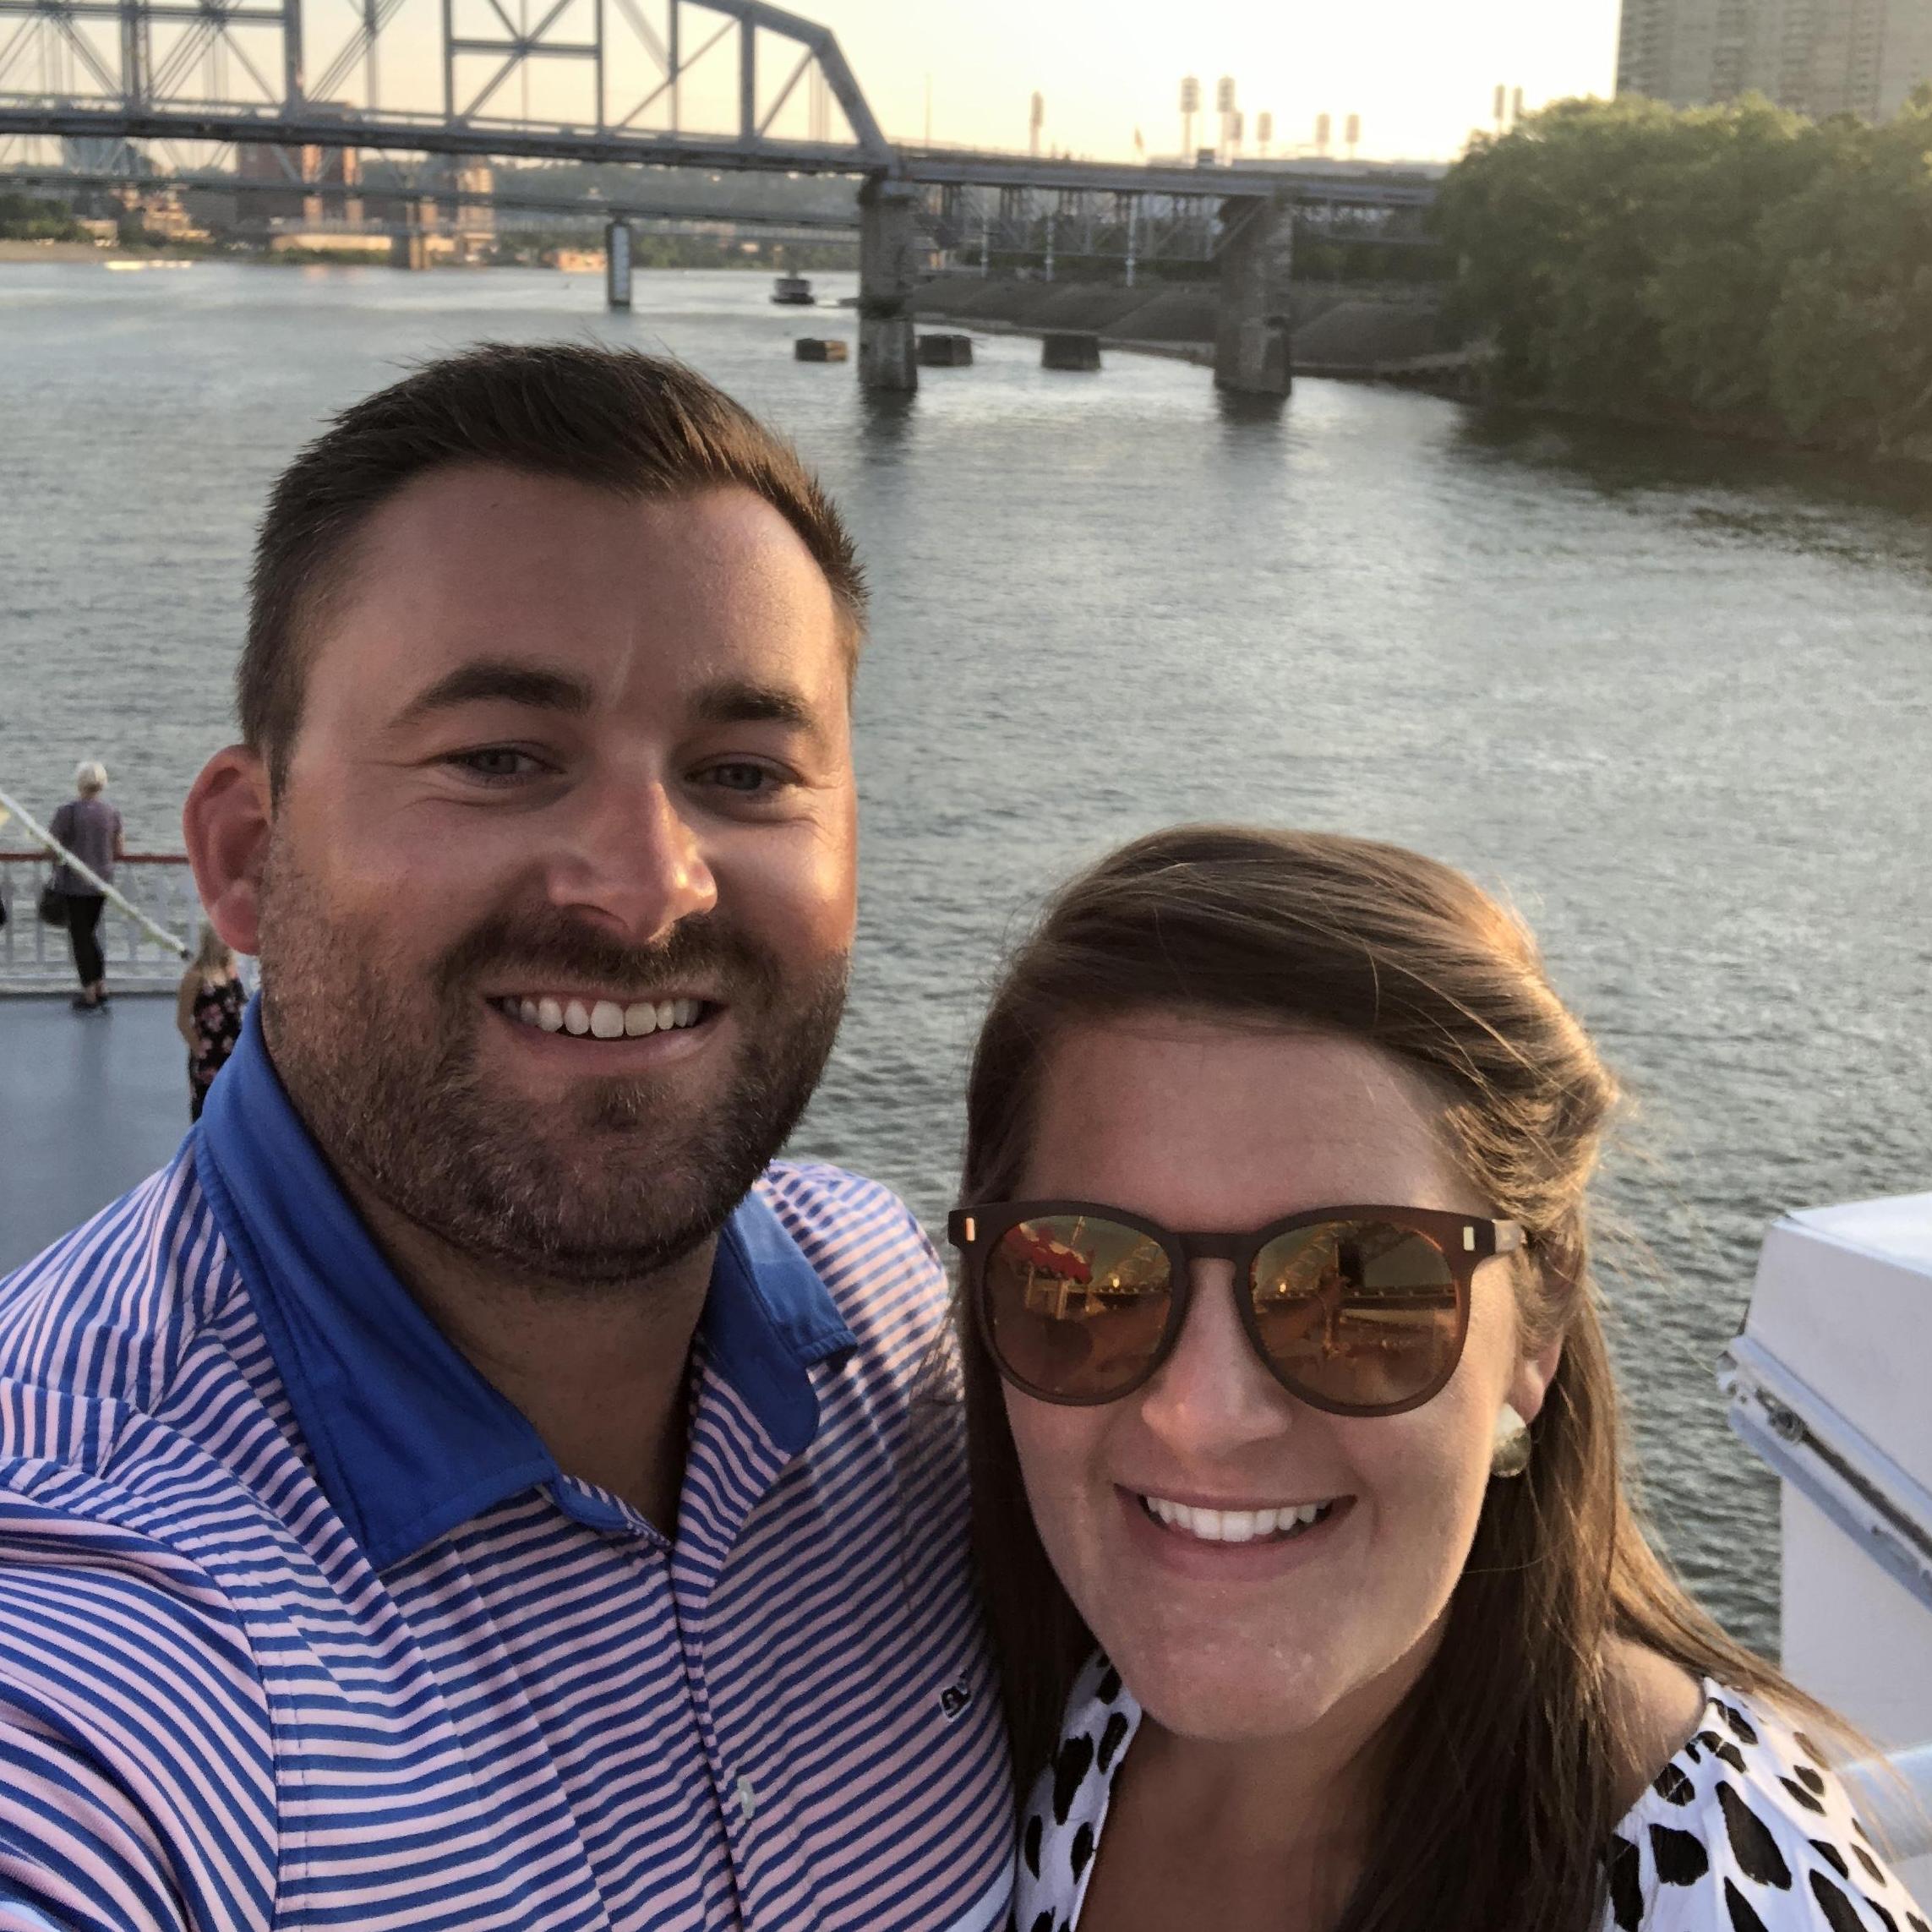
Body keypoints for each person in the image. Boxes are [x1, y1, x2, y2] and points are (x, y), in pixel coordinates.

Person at [0, 346, 1012, 1931]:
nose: (648, 885)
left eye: (745, 774)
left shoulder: (896, 1324)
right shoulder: (97, 1610)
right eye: (498, 758)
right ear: (247, 858)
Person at [947, 825, 1919, 1932]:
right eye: (1090, 1279)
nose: (1203, 1413)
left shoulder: (1712, 1889)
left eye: (1359, 1286)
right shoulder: (1008, 1715)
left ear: (1538, 1323)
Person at [47, 756, 124, 1010]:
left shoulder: (68, 812)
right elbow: (119, 848)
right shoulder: (111, 812)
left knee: (81, 938)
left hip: (75, 884)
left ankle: (90, 992)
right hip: (101, 883)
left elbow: (51, 845)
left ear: (79, 782)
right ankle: (101, 985)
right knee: (90, 934)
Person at [176, 920, 247, 1119]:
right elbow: (183, 1020)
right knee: (205, 1108)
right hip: (209, 1053)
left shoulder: (230, 971)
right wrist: (199, 1050)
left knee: (232, 1108)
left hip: (233, 1050)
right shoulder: (195, 976)